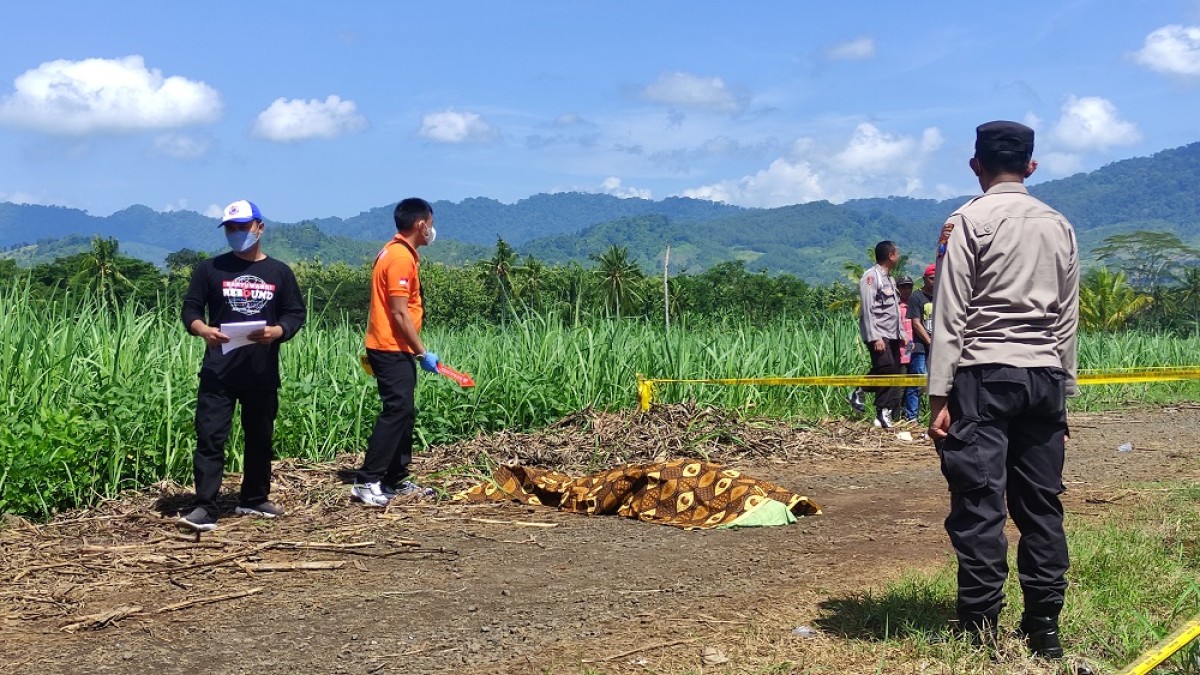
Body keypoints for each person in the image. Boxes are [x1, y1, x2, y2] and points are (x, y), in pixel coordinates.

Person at [928, 121, 1079, 659]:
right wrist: (1065, 387)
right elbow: (1067, 316)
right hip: (1044, 377)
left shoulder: (967, 221)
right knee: (1041, 506)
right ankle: (1044, 628)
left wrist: (939, 395)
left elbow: (949, 314)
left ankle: (980, 625)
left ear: (976, 165)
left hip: (982, 375)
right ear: (1031, 167)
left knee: (979, 502)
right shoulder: (1058, 224)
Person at [178, 200, 307, 532]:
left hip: (261, 371)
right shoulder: (210, 269)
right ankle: (205, 506)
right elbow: (190, 310)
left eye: (243, 227)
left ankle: (254, 498)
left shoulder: (279, 272)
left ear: (259, 227)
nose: (237, 233)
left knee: (260, 437)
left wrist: (278, 331)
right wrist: (203, 329)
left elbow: (296, 314)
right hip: (219, 371)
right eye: (231, 229)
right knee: (210, 437)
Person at [351, 197, 440, 507]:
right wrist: (422, 351)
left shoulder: (397, 252)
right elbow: (400, 313)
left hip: (395, 346)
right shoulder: (400, 257)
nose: (432, 229)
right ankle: (367, 481)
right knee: (396, 411)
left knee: (405, 410)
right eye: (430, 223)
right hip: (389, 346)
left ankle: (395, 478)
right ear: (420, 224)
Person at [848, 240, 906, 428]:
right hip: (879, 334)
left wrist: (902, 332)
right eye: (897, 252)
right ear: (890, 255)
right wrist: (875, 337)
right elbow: (868, 309)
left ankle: (878, 407)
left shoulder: (889, 278)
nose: (898, 255)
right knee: (886, 369)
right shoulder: (871, 277)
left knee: (892, 373)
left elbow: (894, 309)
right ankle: (878, 407)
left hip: (893, 334)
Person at [901, 265, 935, 422]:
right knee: (917, 381)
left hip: (939, 347)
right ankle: (911, 417)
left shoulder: (941, 296)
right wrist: (929, 342)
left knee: (935, 384)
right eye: (931, 278)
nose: (934, 281)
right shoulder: (917, 297)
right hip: (921, 347)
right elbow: (916, 323)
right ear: (925, 279)